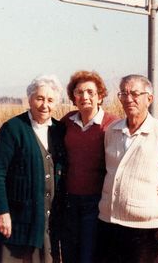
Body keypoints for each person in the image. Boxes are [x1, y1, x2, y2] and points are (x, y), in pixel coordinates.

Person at [96, 74, 158, 263]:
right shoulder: (112, 131)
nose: (128, 99)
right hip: (109, 224)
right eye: (123, 94)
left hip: (145, 230)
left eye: (135, 93)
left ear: (149, 99)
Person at [0, 75, 66, 263]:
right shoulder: (13, 128)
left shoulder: (59, 130)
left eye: (50, 100)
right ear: (30, 99)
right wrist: (2, 212)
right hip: (17, 217)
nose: (44, 105)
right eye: (39, 98)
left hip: (47, 218)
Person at [60, 70, 118, 263]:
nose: (84, 97)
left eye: (90, 92)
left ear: (100, 96)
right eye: (79, 92)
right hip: (69, 200)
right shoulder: (67, 121)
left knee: (89, 255)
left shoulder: (113, 124)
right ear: (73, 97)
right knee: (69, 252)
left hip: (96, 201)